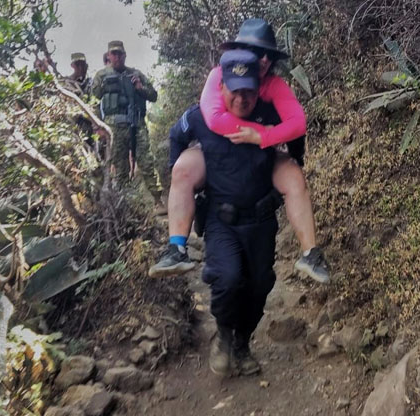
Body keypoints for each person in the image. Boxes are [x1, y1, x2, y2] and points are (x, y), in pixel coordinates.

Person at [150, 18, 331, 284]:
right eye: (257, 53)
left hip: (262, 159)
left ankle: (310, 253)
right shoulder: (218, 76)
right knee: (183, 170)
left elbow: (298, 123)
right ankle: (176, 248)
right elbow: (212, 119)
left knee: (294, 177)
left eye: (268, 55)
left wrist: (264, 137)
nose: (264, 60)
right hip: (219, 157)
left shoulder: (273, 84)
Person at [176, 49, 280, 376]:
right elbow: (175, 137)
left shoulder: (269, 113)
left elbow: (296, 137)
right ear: (221, 88)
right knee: (229, 278)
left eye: (249, 90)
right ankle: (222, 334)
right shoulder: (201, 117)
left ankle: (243, 342)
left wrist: (289, 165)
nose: (242, 98)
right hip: (222, 219)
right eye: (235, 90)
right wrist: (185, 172)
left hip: (262, 220)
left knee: (260, 284)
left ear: (257, 89)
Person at [90, 40, 161, 201]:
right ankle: (127, 203)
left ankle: (158, 199)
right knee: (121, 168)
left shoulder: (136, 74)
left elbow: (154, 96)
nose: (117, 57)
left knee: (147, 162)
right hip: (113, 128)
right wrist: (97, 126)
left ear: (125, 55)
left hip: (136, 124)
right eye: (113, 54)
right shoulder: (101, 76)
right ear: (109, 56)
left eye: (120, 54)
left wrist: (140, 88)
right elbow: (93, 101)